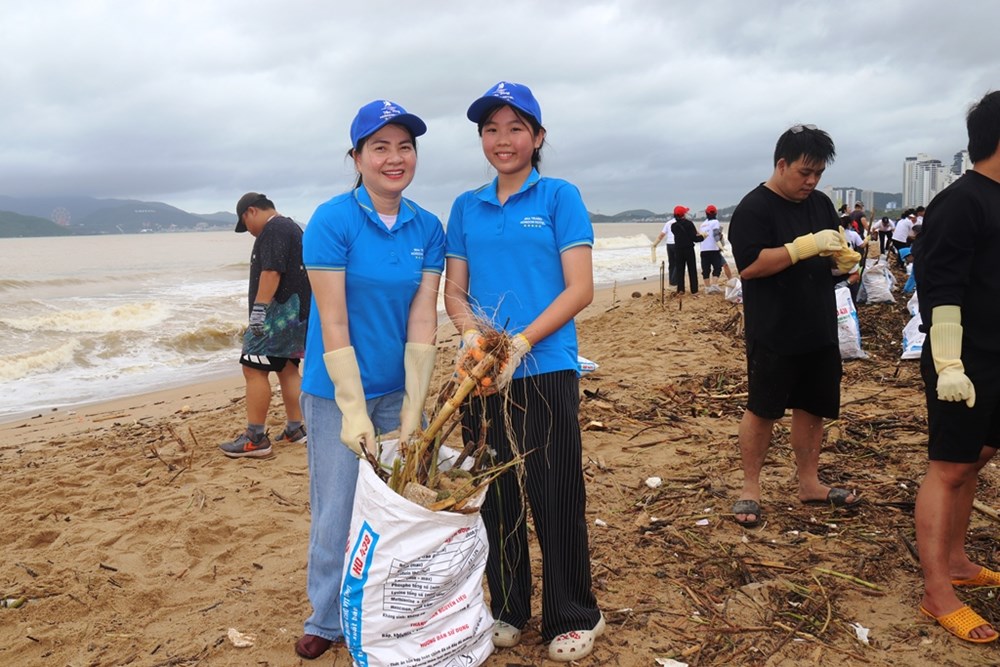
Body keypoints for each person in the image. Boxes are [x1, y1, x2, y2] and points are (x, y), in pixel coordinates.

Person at [444, 81, 603, 662]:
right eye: (491, 129)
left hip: (546, 366)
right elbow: (455, 292)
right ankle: (509, 607)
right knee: (496, 494)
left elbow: (579, 288)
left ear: (538, 137)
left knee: (555, 492)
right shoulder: (466, 206)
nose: (503, 139)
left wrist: (520, 343)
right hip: (482, 373)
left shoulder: (559, 196)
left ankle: (574, 613)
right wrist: (475, 339)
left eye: (516, 128)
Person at [294, 100, 444, 660]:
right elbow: (332, 320)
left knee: (407, 502)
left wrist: (414, 406)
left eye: (405, 146)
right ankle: (326, 617)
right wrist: (353, 409)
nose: (394, 158)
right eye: (380, 147)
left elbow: (423, 317)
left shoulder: (428, 227)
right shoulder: (332, 221)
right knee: (337, 506)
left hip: (399, 387)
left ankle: (395, 606)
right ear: (357, 158)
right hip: (336, 392)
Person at [727, 124, 861, 527]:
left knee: (813, 406)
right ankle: (751, 488)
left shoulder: (820, 204)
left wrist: (842, 261)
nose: (812, 181)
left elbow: (830, 250)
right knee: (763, 408)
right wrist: (804, 247)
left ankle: (809, 483)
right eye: (805, 172)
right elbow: (750, 266)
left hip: (818, 323)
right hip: (774, 327)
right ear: (782, 164)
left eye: (818, 173)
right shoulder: (754, 208)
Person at [913, 90, 1000, 644]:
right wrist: (949, 363)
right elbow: (940, 284)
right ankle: (937, 591)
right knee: (948, 468)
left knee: (975, 459)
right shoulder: (961, 201)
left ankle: (959, 561)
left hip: (999, 355)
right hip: (964, 361)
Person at [219, 193, 311, 458]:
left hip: (276, 315)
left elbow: (271, 271)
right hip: (295, 315)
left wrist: (259, 311)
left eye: (245, 224)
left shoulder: (273, 229)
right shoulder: (292, 227)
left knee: (253, 369)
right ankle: (295, 429)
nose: (249, 231)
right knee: (287, 369)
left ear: (251, 211)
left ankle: (255, 438)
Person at [699, 204, 733, 293]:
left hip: (703, 249)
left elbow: (702, 236)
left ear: (706, 213)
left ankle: (707, 287)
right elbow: (715, 234)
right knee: (717, 268)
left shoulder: (702, 224)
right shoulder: (715, 222)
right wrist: (720, 245)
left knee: (706, 269)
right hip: (713, 249)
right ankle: (714, 285)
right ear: (715, 213)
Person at [670, 205, 703, 294]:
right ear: (683, 214)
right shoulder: (689, 224)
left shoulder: (673, 226)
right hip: (688, 249)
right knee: (692, 270)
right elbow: (694, 238)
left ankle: (681, 289)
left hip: (678, 249)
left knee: (680, 270)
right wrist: (702, 237)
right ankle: (694, 290)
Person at [652, 216, 678, 286]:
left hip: (669, 244)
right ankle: (674, 282)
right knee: (678, 263)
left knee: (671, 264)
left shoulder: (668, 223)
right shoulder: (681, 222)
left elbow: (662, 235)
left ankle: (671, 282)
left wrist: (655, 244)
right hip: (676, 244)